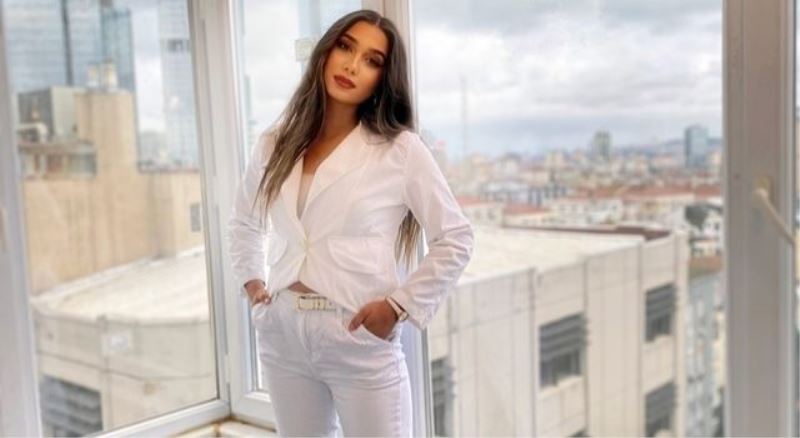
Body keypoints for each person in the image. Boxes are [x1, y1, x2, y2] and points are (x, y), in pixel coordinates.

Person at [227, 9, 473, 437]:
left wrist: (397, 307)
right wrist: (253, 283)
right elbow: (244, 221)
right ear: (326, 51)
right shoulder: (274, 142)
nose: (352, 65)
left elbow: (456, 238)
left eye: (372, 60)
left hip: (356, 335)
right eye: (345, 47)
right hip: (282, 332)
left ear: (382, 78)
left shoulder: (400, 150)